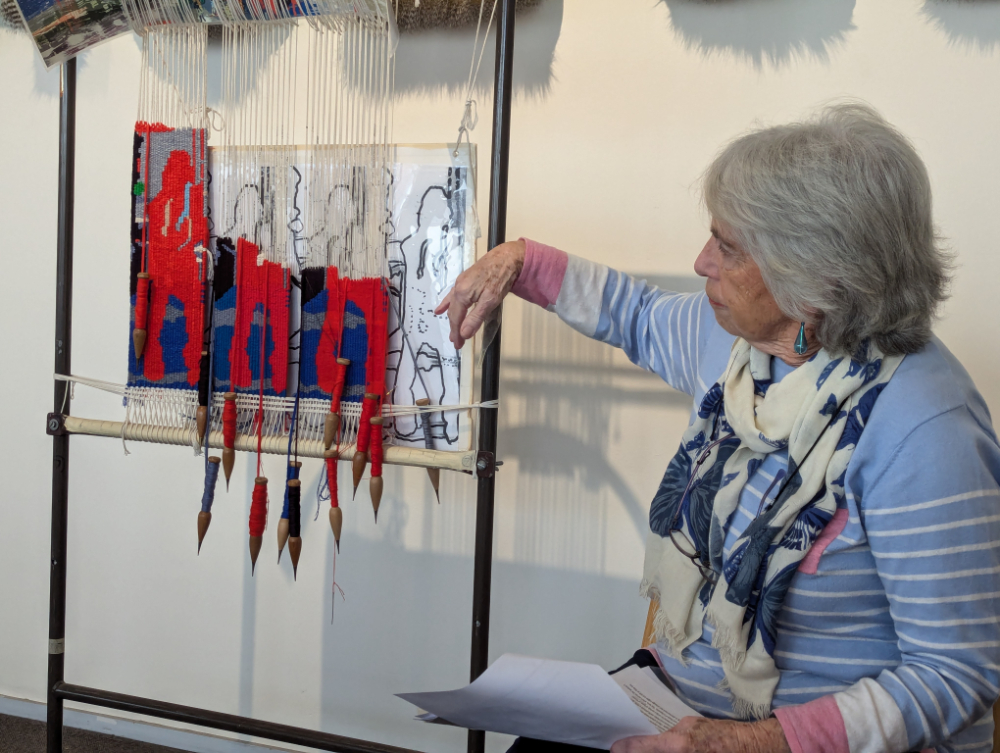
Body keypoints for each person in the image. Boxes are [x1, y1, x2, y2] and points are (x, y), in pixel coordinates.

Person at [436, 104, 1000, 753]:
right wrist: (516, 260)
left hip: (802, 738)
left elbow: (955, 672)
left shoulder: (925, 424)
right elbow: (636, 313)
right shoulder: (738, 344)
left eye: (728, 247)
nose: (702, 261)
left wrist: (741, 744)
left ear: (814, 281)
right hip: (682, 697)